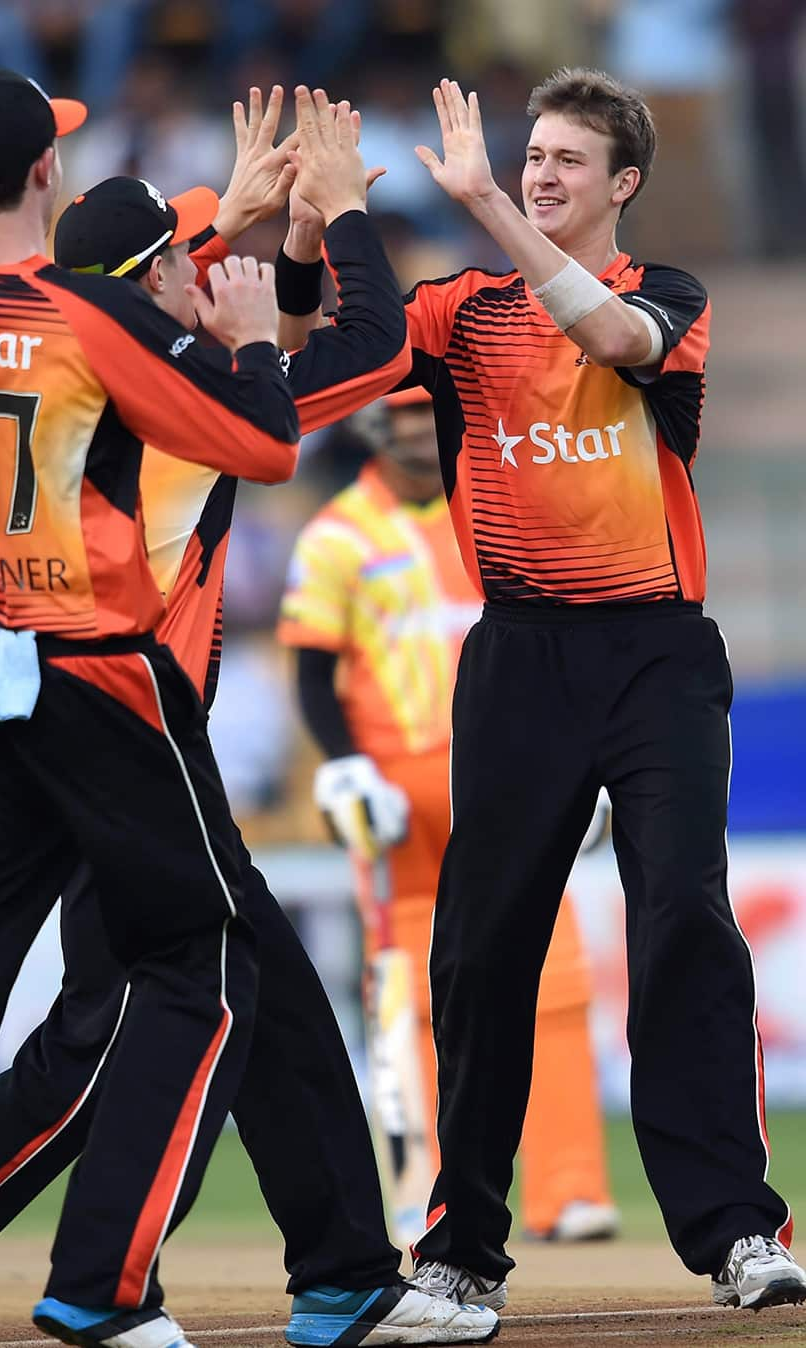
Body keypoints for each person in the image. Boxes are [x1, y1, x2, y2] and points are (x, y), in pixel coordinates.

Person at [0, 83, 499, 1348]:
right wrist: (335, 221)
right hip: (118, 702)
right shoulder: (119, 346)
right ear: (49, 164)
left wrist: (224, 225)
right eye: (187, 262)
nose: (205, 267)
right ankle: (111, 1284)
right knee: (204, 974)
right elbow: (342, 372)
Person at [276, 68, 806, 1315]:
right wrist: (310, 228)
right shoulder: (460, 308)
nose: (541, 173)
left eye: (570, 160)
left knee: (680, 911)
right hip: (518, 659)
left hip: (656, 652)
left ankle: (735, 1232)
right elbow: (319, 356)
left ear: (624, 184)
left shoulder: (663, 295)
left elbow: (614, 343)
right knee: (480, 948)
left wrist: (478, 206)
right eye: (531, 156)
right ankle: (460, 1254)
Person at [277, 386, 619, 1259]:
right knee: (411, 993)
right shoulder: (338, 535)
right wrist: (345, 765)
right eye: (405, 415)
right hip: (399, 799)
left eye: (435, 412)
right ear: (373, 425)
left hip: (510, 780)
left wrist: (594, 762)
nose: (422, 429)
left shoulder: (501, 502)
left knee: (558, 980)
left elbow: (570, 634)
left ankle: (569, 1189)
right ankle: (423, 1190)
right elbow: (313, 670)